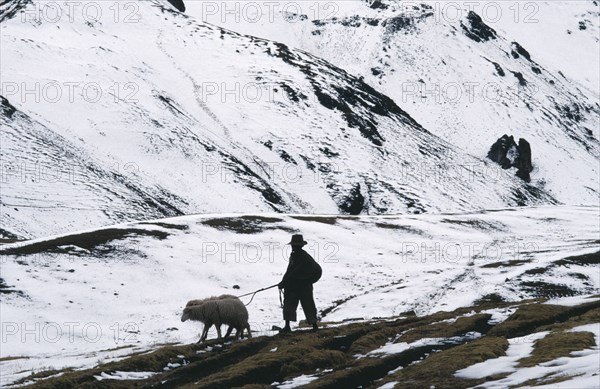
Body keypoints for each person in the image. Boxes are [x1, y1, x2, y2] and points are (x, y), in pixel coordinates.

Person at [278, 234, 322, 333]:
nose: (293, 247)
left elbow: (294, 272)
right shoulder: (293, 256)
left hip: (304, 286)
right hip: (294, 286)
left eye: (295, 245)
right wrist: (283, 282)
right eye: (293, 245)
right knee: (289, 304)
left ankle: (314, 325)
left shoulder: (305, 257)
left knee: (308, 304)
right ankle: (287, 326)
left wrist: (284, 282)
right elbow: (289, 271)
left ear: (300, 246)